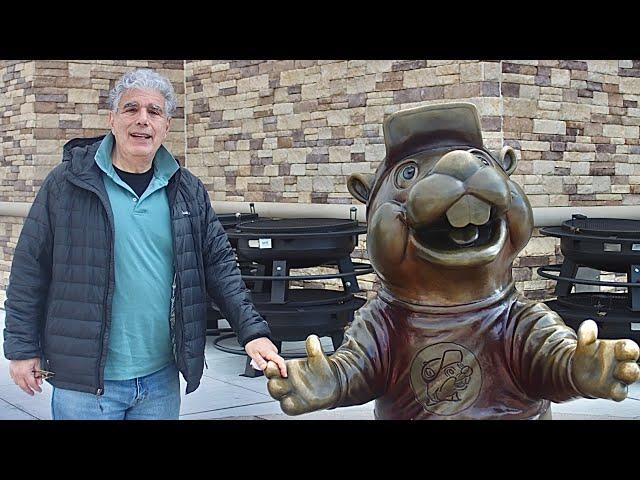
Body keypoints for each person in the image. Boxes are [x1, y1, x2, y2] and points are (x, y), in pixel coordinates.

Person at [2, 68, 286, 420]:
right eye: (131, 109)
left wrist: (252, 333)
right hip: (85, 387)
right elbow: (30, 267)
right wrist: (21, 347)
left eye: (154, 112)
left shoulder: (187, 190)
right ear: (112, 119)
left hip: (159, 381)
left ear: (166, 126)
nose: (142, 120)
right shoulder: (67, 183)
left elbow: (220, 267)